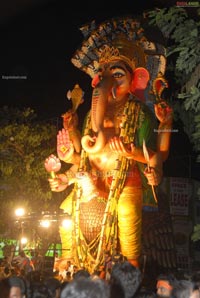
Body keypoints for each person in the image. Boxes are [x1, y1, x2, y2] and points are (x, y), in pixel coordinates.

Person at [45, 16, 173, 273]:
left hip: (124, 181)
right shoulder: (95, 115)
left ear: (135, 79)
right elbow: (83, 156)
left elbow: (156, 157)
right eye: (104, 75)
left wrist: (130, 151)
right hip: (92, 179)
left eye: (117, 75)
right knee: (67, 212)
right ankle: (71, 264)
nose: (110, 82)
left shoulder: (140, 114)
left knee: (126, 219)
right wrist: (66, 170)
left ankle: (130, 273)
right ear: (96, 80)